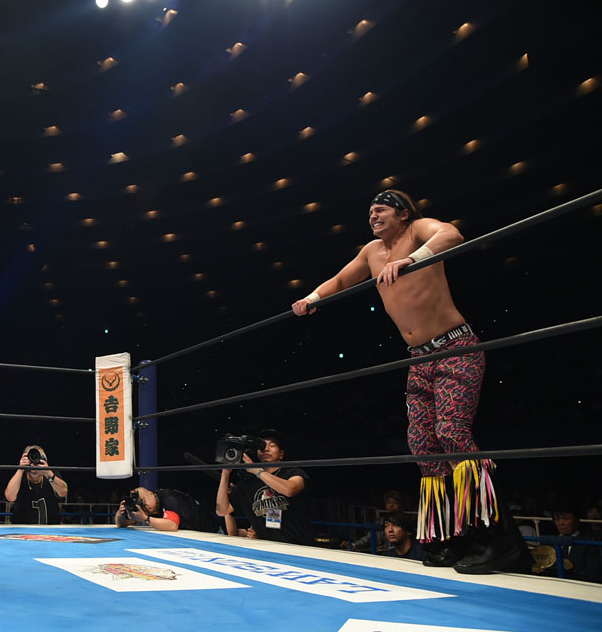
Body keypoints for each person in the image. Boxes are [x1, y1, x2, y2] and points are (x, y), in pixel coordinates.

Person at [291, 189, 528, 574]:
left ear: (402, 214)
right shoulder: (371, 251)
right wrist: (311, 298)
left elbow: (451, 234)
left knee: (452, 434)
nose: (372, 216)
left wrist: (410, 259)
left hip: (456, 347)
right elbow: (340, 279)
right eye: (369, 211)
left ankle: (496, 539)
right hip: (419, 358)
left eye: (380, 210)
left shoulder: (419, 231)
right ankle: (452, 538)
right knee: (423, 446)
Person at [215, 430, 314, 546]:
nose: (266, 449)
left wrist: (256, 470)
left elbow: (290, 489)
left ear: (281, 454)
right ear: (257, 453)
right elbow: (222, 510)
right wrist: (225, 473)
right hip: (266, 549)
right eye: (262, 446)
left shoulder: (293, 472)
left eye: (272, 445)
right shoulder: (248, 484)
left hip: (299, 546)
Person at [4, 445, 68, 524]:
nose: (33, 462)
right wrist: (20, 469)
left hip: (50, 530)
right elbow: (9, 497)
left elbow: (63, 492)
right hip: (22, 531)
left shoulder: (51, 474)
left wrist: (48, 473)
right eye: (30, 458)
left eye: (38, 458)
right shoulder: (19, 476)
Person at [116, 486, 215, 533]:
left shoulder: (170, 499)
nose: (143, 505)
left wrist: (146, 519)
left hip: (211, 531)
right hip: (191, 534)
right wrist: (122, 513)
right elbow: (121, 524)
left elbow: (172, 525)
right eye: (140, 504)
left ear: (151, 493)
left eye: (143, 500)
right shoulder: (147, 509)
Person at [547, 507, 602, 583]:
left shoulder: (589, 543)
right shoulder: (549, 542)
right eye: (557, 520)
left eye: (566, 519)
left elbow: (592, 571)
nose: (561, 523)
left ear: (577, 521)